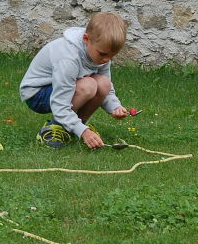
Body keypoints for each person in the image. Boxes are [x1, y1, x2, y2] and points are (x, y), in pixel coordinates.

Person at [19, 12, 130, 149]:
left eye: (112, 55)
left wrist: (115, 107)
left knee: (103, 83)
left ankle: (76, 125)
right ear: (86, 39)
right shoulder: (69, 58)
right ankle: (56, 127)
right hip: (38, 94)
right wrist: (84, 132)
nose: (107, 59)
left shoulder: (100, 51)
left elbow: (106, 86)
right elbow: (60, 103)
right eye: (103, 54)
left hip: (64, 90)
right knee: (88, 85)